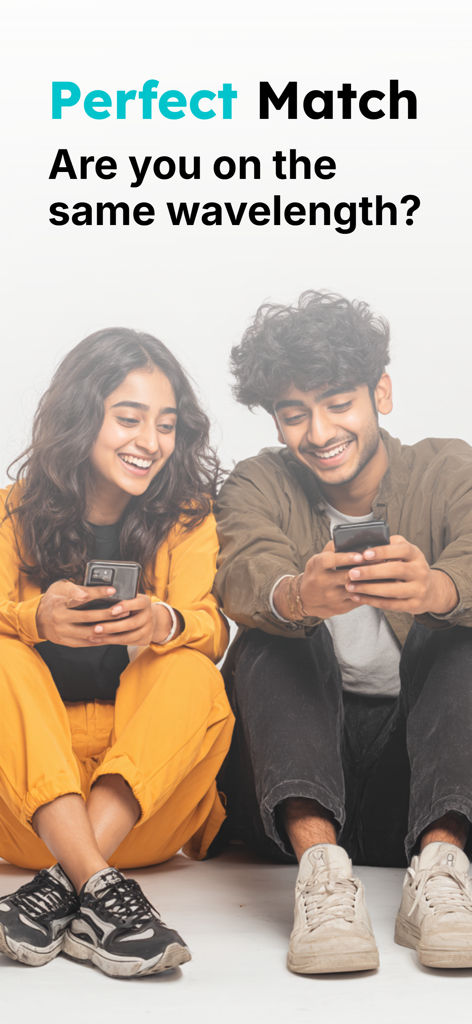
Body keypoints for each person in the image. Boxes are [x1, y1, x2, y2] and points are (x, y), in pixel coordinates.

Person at [214, 290, 472, 974]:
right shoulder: (257, 483)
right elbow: (243, 572)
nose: (319, 432)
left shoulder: (449, 469)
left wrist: (437, 590)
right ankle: (322, 876)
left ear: (379, 392)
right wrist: (299, 594)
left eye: (337, 403)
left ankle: (443, 873)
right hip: (285, 785)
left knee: (462, 634)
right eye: (294, 415)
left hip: (419, 782)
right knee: (269, 631)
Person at [0, 328, 233, 978]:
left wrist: (162, 620)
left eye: (165, 425)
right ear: (82, 417)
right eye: (129, 418)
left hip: (141, 808)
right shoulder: (12, 514)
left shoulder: (187, 517)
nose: (151, 442)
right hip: (27, 811)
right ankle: (102, 895)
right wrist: (35, 618)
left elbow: (212, 629)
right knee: (3, 655)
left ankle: (66, 885)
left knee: (188, 666)